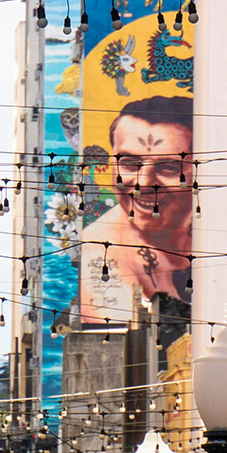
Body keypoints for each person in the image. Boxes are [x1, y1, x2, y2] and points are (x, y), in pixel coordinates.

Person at [78, 96, 193, 306]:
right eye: (130, 164)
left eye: (168, 167)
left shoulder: (216, 228)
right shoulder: (99, 256)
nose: (144, 183)